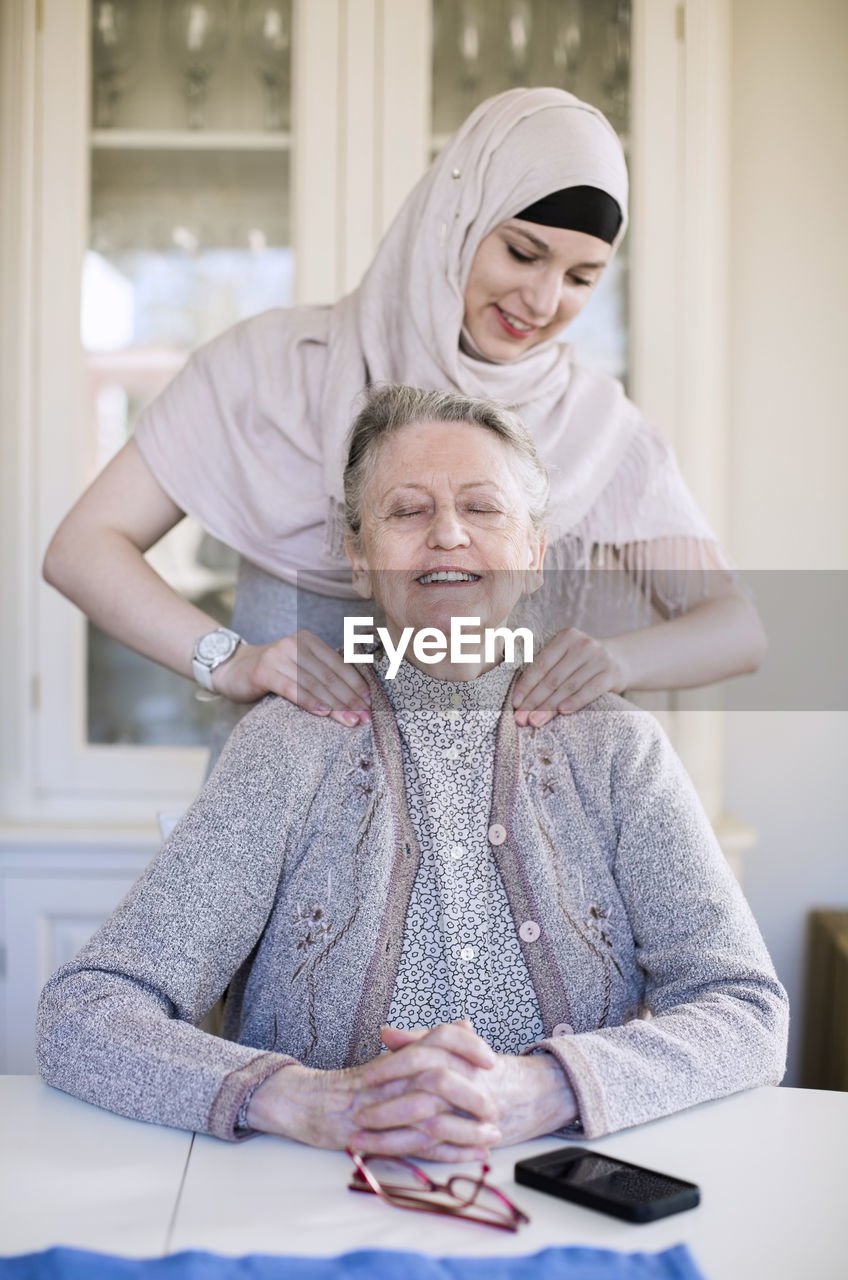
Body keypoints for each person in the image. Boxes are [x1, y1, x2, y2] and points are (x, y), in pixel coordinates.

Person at [37, 386, 787, 1156]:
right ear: (359, 559)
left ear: (533, 552)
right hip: (301, 1207)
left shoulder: (619, 749)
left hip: (559, 1208)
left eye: (484, 508)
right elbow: (84, 1013)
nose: (449, 535)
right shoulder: (287, 744)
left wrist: (547, 1088)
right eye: (407, 511)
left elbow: (746, 1011)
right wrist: (304, 1101)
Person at [42, 88, 764, 757]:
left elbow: (737, 628)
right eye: (522, 251)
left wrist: (619, 659)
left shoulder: (598, 425)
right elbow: (82, 547)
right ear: (455, 220)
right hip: (285, 834)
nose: (544, 300)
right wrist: (230, 662)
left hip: (500, 858)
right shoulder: (268, 367)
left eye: (582, 277)